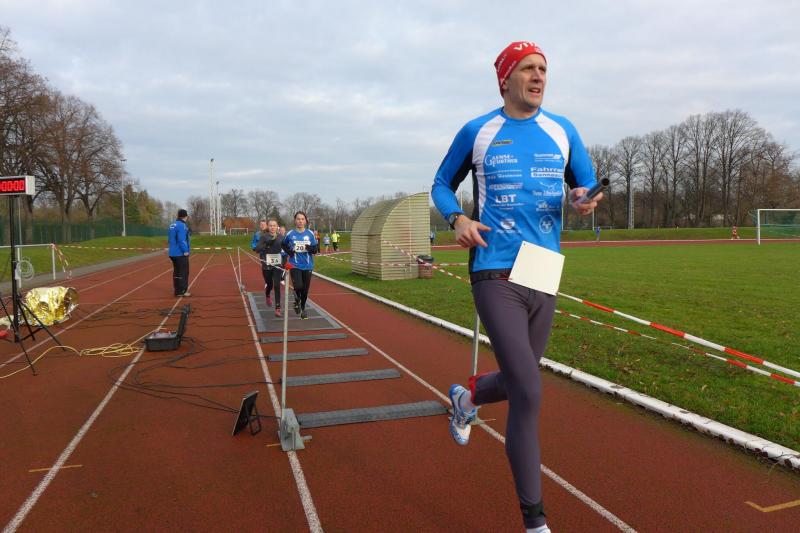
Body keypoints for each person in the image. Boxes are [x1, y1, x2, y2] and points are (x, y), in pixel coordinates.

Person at [431, 41, 602, 533]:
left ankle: (466, 399)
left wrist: (585, 200)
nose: (538, 76)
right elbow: (441, 183)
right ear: (505, 78)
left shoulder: (563, 130)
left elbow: (585, 186)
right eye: (528, 68)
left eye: (543, 68)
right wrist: (458, 218)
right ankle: (535, 522)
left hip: (542, 270)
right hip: (494, 268)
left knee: (518, 378)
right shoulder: (478, 131)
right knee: (528, 390)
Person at [282, 211, 318, 319]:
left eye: (302, 219)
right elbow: (283, 245)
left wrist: (309, 248)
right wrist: (290, 252)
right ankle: (297, 299)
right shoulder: (290, 234)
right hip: (295, 265)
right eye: (298, 219)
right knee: (298, 286)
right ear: (295, 220)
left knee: (305, 290)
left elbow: (315, 249)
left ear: (305, 221)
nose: (300, 221)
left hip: (307, 265)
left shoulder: (310, 233)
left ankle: (303, 308)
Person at [255, 219, 284, 316]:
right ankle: (267, 295)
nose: (272, 227)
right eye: (270, 225)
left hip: (277, 264)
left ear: (277, 227)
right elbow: (257, 249)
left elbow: (287, 248)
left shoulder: (281, 237)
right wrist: (267, 244)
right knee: (270, 284)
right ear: (268, 226)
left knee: (277, 285)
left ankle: (278, 308)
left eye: (274, 225)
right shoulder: (264, 237)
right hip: (266, 265)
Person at [168, 209, 191, 297]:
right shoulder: (182, 225)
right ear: (185, 216)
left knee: (177, 272)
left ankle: (177, 290)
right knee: (183, 272)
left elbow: (170, 239)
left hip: (172, 253)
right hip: (180, 253)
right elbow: (182, 240)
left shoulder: (172, 225)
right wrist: (185, 251)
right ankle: (182, 291)